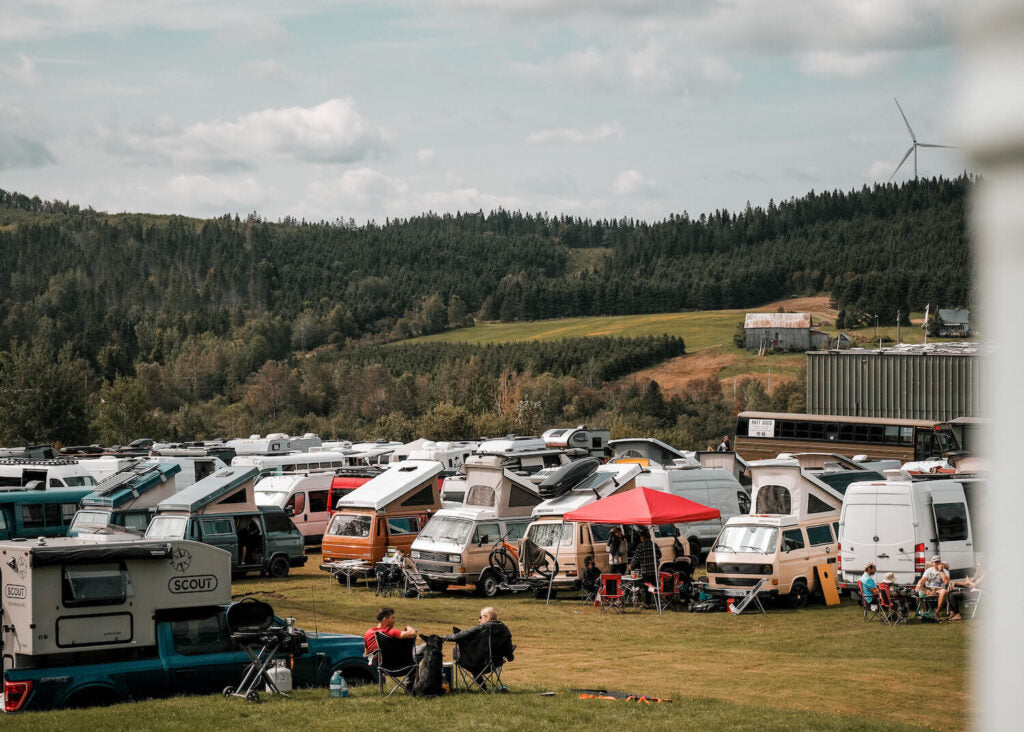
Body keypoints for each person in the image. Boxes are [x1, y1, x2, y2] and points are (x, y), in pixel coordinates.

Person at [444, 607, 515, 680]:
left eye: (480, 617)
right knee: (475, 659)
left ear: (487, 617)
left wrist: (444, 637)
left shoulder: (482, 628)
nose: (479, 620)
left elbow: (460, 636)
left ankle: (482, 685)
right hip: (496, 664)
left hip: (476, 663)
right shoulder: (505, 630)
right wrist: (510, 657)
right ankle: (483, 686)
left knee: (462, 653)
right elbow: (508, 649)